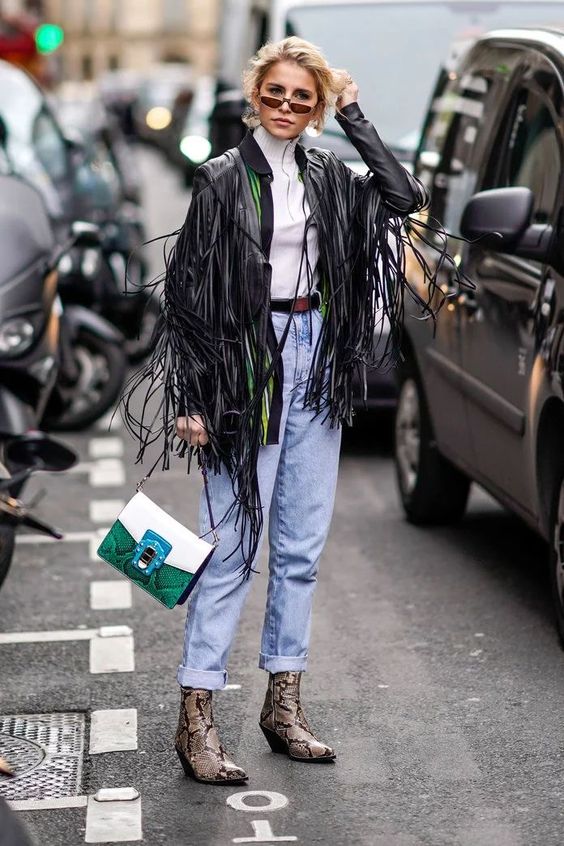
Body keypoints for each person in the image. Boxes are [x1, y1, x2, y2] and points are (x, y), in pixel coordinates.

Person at [124, 36, 461, 785]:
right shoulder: (219, 181)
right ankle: (197, 718)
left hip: (317, 354)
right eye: (275, 93)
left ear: (316, 106)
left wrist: (355, 112)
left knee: (301, 550)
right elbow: (188, 296)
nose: (285, 106)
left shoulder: (328, 170)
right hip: (247, 361)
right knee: (231, 548)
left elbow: (403, 200)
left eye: (301, 96)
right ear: (254, 95)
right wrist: (194, 399)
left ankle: (283, 705)